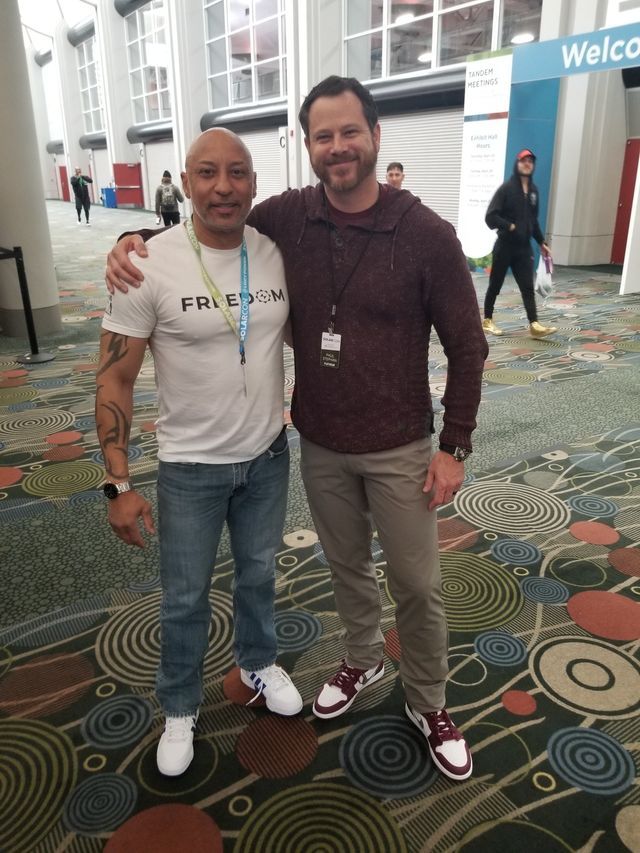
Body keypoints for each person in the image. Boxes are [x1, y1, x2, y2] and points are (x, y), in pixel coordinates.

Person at [105, 76, 488, 783]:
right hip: (317, 443)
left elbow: (469, 347)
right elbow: (211, 224)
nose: (337, 147)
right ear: (306, 145)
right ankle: (362, 656)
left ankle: (429, 700)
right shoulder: (289, 217)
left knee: (418, 582)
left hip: (403, 442)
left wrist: (453, 445)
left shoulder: (428, 235)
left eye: (349, 132)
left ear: (375, 136)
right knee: (343, 568)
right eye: (322, 135)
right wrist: (136, 239)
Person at [95, 128, 302, 779]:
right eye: (206, 173)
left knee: (259, 574)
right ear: (185, 183)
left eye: (236, 172)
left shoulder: (274, 253)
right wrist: (116, 482)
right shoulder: (145, 262)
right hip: (190, 469)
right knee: (185, 596)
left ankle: (257, 662)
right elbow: (114, 379)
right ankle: (180, 705)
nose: (222, 186)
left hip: (268, 456)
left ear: (253, 183)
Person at [483, 149, 557, 338]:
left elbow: (533, 221)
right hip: (505, 246)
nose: (527, 164)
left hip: (523, 249)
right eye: (523, 161)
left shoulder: (533, 191)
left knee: (526, 286)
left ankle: (534, 323)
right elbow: (490, 217)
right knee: (495, 284)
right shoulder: (506, 189)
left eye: (530, 161)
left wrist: (541, 242)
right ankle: (487, 320)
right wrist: (510, 226)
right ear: (517, 164)